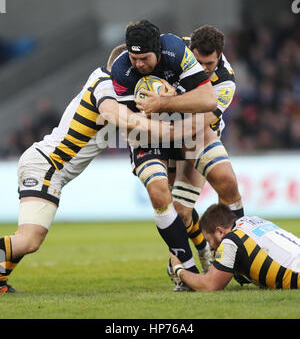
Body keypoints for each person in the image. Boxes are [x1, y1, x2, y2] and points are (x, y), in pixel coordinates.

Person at [0, 48, 185, 294]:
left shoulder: (119, 92)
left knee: (28, 237)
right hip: (48, 164)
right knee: (30, 240)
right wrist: (172, 130)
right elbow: (119, 117)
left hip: (48, 165)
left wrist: (167, 100)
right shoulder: (105, 83)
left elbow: (134, 127)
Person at [111, 19, 217, 282]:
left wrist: (165, 102)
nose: (138, 64)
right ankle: (188, 269)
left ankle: (204, 248)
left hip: (185, 132)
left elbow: (209, 99)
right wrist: (164, 112)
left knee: (183, 208)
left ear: (157, 50)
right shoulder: (121, 69)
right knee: (159, 193)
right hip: (146, 136)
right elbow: (131, 123)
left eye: (144, 58)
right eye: (134, 58)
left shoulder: (176, 51)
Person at [136, 25, 244, 275]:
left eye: (209, 63)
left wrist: (165, 106)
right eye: (199, 62)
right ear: (190, 50)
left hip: (196, 134)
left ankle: (235, 255)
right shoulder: (174, 52)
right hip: (168, 137)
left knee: (218, 188)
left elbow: (202, 120)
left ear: (219, 56)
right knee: (177, 212)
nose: (204, 68)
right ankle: (201, 252)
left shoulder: (225, 81)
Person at [170, 203, 300, 291]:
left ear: (220, 232)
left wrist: (178, 269)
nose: (210, 248)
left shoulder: (231, 240)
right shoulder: (253, 221)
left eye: (208, 241)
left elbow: (209, 285)